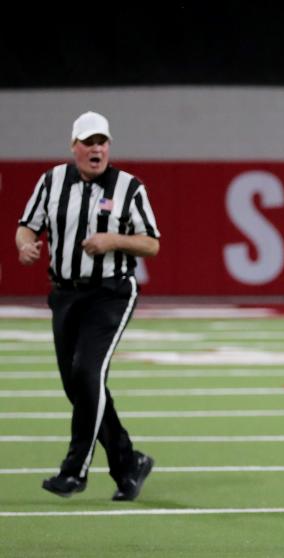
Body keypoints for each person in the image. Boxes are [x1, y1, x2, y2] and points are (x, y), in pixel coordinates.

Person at [16, 111, 160, 501]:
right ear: (73, 147)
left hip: (111, 293)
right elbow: (27, 223)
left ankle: (74, 470)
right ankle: (129, 464)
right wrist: (24, 245)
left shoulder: (129, 187)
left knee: (87, 371)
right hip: (65, 293)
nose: (97, 149)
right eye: (89, 142)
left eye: (103, 142)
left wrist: (112, 240)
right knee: (77, 383)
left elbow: (151, 242)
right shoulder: (52, 181)